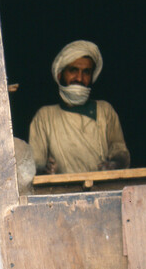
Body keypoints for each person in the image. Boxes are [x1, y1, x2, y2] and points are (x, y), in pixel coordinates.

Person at [28, 40, 130, 174]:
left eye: (86, 72)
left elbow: (120, 151)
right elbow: (35, 164)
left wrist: (115, 164)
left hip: (104, 190)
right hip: (62, 192)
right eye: (73, 70)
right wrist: (45, 170)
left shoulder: (105, 111)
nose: (80, 78)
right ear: (60, 75)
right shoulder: (45, 116)